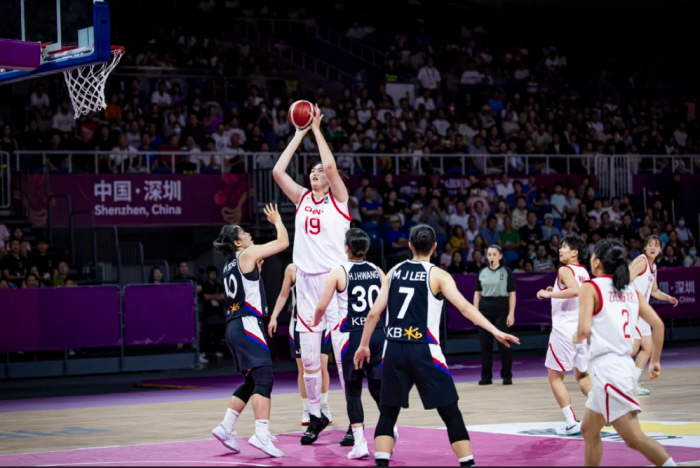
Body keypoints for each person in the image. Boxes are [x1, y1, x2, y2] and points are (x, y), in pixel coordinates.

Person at [354, 225, 519, 467]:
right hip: (425, 350)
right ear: (434, 247)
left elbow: (373, 314)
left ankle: (381, 463)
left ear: (409, 245)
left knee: (388, 413)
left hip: (394, 349)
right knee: (451, 413)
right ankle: (467, 463)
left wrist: (364, 345)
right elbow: (465, 308)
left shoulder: (393, 272)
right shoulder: (439, 275)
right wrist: (494, 330)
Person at [272, 103, 351, 444]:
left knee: (343, 357)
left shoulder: (340, 200)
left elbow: (331, 165)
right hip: (305, 284)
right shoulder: (302, 197)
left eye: (321, 170)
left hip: (333, 283)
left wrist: (317, 129)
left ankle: (355, 420)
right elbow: (277, 172)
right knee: (309, 362)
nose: (318, 172)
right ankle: (316, 416)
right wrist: (298, 134)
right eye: (314, 170)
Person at [576, 238, 675, 467]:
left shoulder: (591, 287)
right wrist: (655, 361)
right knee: (589, 430)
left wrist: (576, 337)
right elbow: (658, 325)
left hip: (609, 371)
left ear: (597, 262)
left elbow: (582, 331)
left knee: (635, 439)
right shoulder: (632, 291)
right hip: (622, 368)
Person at [210, 204, 288, 458]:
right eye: (243, 232)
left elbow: (246, 286)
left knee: (252, 380)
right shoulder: (247, 253)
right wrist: (277, 221)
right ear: (237, 241)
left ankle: (225, 427)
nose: (248, 234)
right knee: (265, 379)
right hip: (246, 323)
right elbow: (283, 242)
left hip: (234, 325)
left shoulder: (230, 264)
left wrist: (258, 271)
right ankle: (261, 434)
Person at [314, 229, 386, 459]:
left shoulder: (339, 272)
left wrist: (315, 323)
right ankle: (390, 427)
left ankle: (360, 443)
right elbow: (388, 301)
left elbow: (322, 306)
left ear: (347, 248)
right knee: (377, 386)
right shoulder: (377, 270)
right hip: (377, 334)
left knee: (353, 392)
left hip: (353, 336)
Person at [536, 234, 592, 435]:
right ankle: (605, 409)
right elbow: (577, 292)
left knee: (555, 377)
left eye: (565, 247)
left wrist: (549, 293)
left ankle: (570, 422)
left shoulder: (564, 269)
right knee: (582, 375)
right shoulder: (583, 271)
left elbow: (574, 291)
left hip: (564, 331)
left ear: (575, 252)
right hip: (581, 331)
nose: (560, 250)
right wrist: (557, 291)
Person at [268, 264, 333, 427]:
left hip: (323, 320)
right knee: (303, 369)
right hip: (299, 323)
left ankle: (323, 406)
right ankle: (307, 409)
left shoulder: (326, 264)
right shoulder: (292, 269)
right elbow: (283, 294)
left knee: (323, 365)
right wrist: (274, 316)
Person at [628, 236, 678, 396]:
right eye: (649, 245)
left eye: (656, 245)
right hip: (633, 308)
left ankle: (632, 384)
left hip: (643, 311)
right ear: (645, 247)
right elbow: (624, 279)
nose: (652, 247)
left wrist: (667, 297)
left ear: (660, 250)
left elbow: (654, 290)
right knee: (633, 348)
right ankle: (609, 374)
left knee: (648, 349)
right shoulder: (641, 261)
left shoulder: (653, 267)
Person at [474, 245, 517, 386]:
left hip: (502, 307)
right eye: (489, 254)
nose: (491, 257)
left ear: (500, 256)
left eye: (494, 254)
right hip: (485, 308)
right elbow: (477, 293)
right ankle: (486, 376)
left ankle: (507, 375)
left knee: (504, 343)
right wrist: (475, 312)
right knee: (485, 344)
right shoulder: (482, 272)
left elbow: (512, 293)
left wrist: (511, 313)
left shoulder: (506, 272)